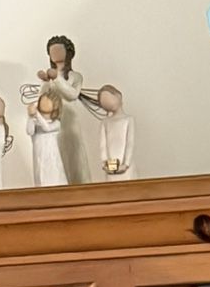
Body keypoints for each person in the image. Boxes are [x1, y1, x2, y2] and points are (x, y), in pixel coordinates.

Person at [39, 34, 92, 184]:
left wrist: (56, 78)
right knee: (56, 155)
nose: (54, 54)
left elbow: (72, 94)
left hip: (70, 121)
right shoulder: (50, 77)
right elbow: (42, 99)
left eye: (58, 50)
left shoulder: (75, 76)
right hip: (53, 122)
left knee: (74, 156)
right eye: (52, 51)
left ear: (68, 53)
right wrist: (45, 82)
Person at [26, 90, 68, 188]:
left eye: (49, 100)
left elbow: (46, 128)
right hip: (39, 155)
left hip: (51, 156)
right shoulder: (36, 122)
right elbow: (29, 131)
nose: (44, 102)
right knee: (40, 176)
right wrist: (31, 117)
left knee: (54, 176)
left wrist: (36, 114)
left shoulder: (56, 123)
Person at [97, 85, 136, 182]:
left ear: (118, 95)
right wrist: (104, 163)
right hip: (110, 170)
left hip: (126, 171)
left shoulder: (128, 120)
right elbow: (103, 146)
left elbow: (129, 143)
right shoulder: (105, 122)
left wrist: (126, 164)